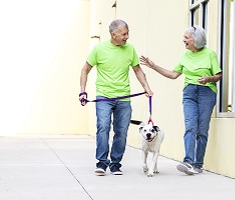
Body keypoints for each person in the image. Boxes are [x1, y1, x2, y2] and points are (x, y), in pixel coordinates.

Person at [140, 26, 222, 175]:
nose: (183, 40)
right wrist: (152, 66)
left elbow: (218, 75)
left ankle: (198, 164)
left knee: (202, 130)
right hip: (189, 92)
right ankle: (188, 161)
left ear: (196, 40)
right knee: (190, 126)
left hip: (206, 92)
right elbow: (172, 74)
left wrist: (208, 79)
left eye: (186, 37)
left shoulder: (210, 54)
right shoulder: (185, 56)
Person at [79, 19, 153, 176]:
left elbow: (138, 70)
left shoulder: (130, 49)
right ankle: (101, 162)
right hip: (104, 96)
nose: (127, 37)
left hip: (124, 97)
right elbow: (85, 70)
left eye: (128, 33)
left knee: (121, 131)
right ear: (113, 34)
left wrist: (146, 88)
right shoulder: (99, 49)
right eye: (124, 34)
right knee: (103, 127)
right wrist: (82, 91)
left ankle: (115, 163)